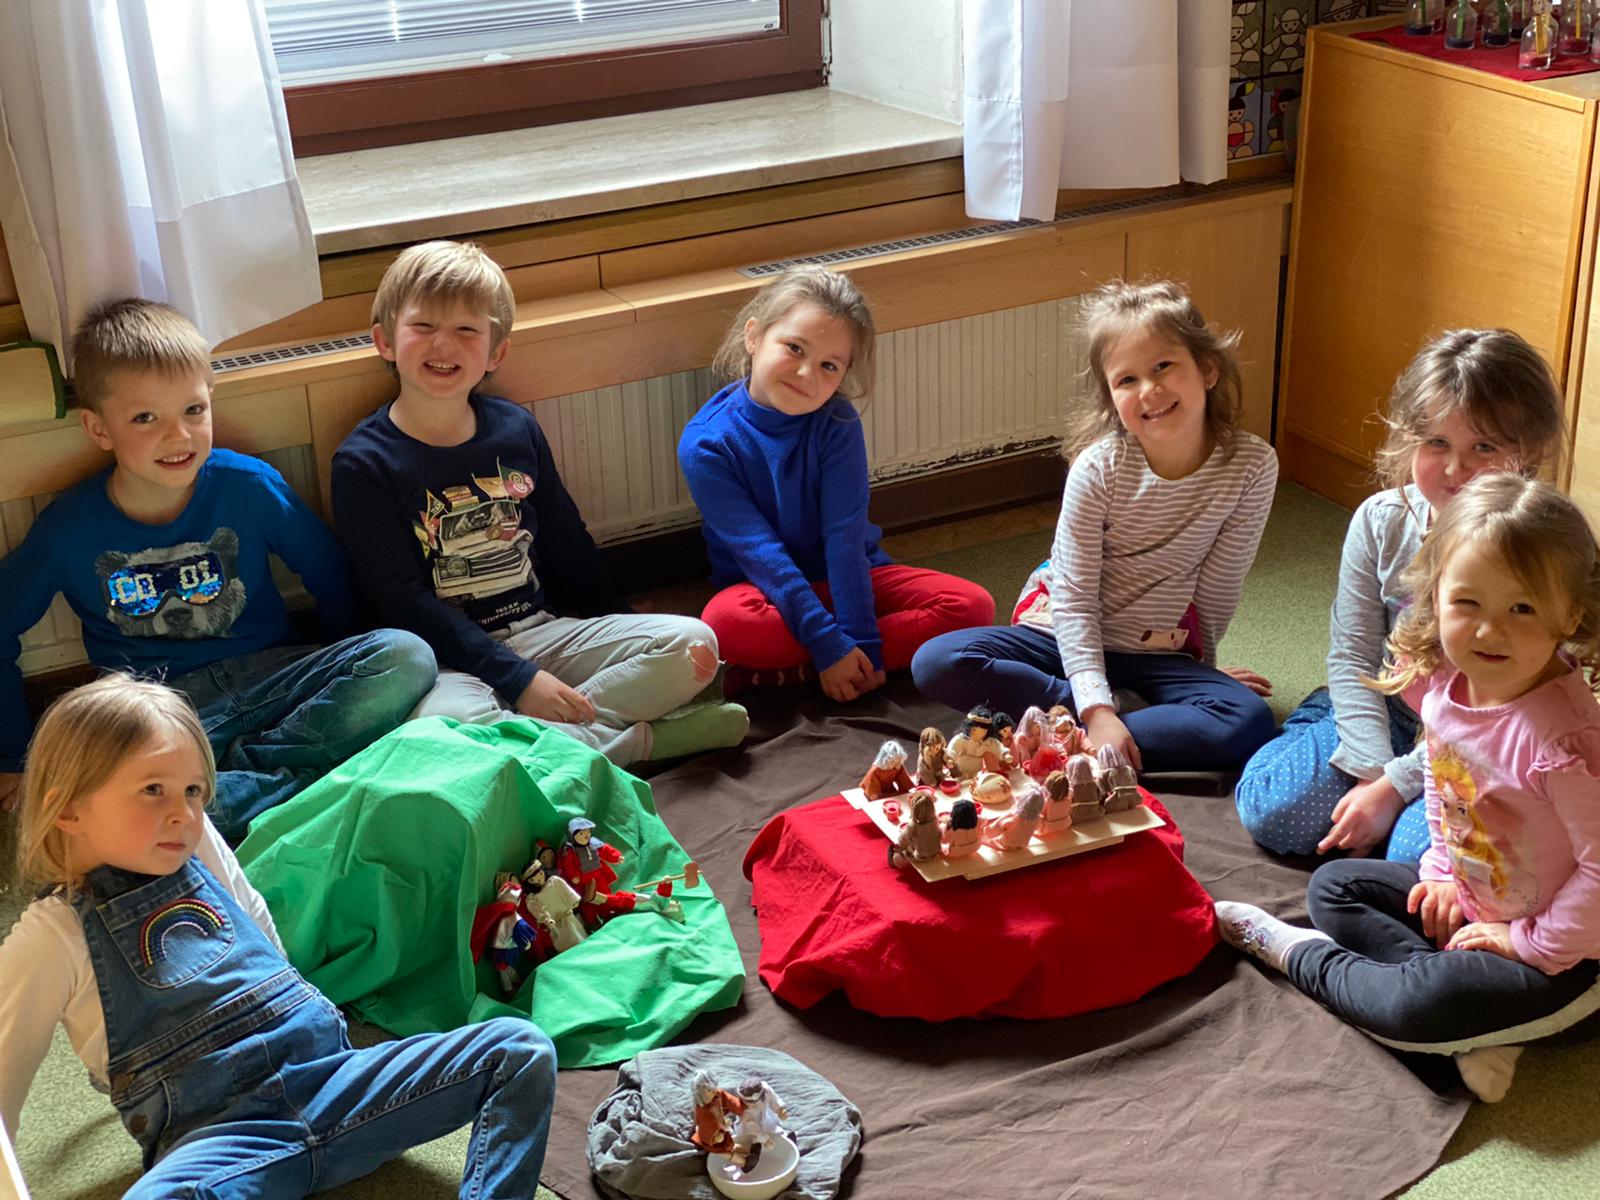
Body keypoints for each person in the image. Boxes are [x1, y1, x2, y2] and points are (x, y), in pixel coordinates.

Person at [0, 675, 555, 1196]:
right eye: (152, 789)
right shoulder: (51, 936)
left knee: (519, 1048)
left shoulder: (195, 842)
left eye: (193, 790)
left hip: (336, 1087)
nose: (184, 814)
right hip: (225, 1144)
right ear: (66, 809)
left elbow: (260, 930)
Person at [1216, 475, 1600, 1104]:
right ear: (1436, 597)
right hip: (1480, 906)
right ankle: (1477, 1022)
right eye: (1467, 603)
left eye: (1523, 609)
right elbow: (1450, 796)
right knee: (1332, 888)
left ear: (1570, 615)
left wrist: (1526, 943)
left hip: (1572, 953)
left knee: (1415, 1009)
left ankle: (1296, 956)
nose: (1488, 632)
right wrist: (1443, 873)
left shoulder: (1566, 742)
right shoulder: (1448, 691)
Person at [0, 299, 435, 837]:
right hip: (162, 712)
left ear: (211, 399)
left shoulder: (248, 485)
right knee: (99, 804)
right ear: (99, 428)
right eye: (145, 418)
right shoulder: (69, 529)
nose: (179, 436)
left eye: (193, 410)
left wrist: (328, 673)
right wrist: (13, 755)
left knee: (406, 655)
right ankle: (287, 784)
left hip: (272, 675)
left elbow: (331, 575)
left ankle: (233, 791)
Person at [332, 240, 748, 766]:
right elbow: (402, 602)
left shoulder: (515, 428)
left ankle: (535, 747)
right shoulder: (362, 464)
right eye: (424, 326)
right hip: (447, 664)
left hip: (542, 632)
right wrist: (519, 680)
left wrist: (623, 628)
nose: (444, 344)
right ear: (385, 341)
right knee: (444, 739)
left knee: (696, 644)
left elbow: (566, 544)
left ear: (496, 352)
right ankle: (645, 742)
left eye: (466, 330)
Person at [911, 279, 1277, 773]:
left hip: (1154, 650)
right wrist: (1097, 708)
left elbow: (1218, 586)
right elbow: (1075, 598)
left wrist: (1201, 674)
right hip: (1060, 639)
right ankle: (1102, 720)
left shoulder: (1253, 464)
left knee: (1247, 719)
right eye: (1127, 380)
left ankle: (1063, 730)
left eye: (1163, 366)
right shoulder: (1098, 467)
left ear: (1208, 369)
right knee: (936, 661)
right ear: (1110, 395)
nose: (1149, 390)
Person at [1235, 329, 1566, 862]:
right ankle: (1321, 717)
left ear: (1528, 450)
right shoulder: (1381, 521)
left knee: (1416, 863)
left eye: (1483, 447)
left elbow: (1519, 706)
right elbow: (1353, 652)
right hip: (1392, 703)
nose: (1456, 469)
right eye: (1436, 443)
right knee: (1274, 812)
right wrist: (1370, 772)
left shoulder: (1543, 546)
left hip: (1487, 732)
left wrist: (1396, 785)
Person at [677, 265, 994, 702]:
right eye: (794, 348)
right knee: (725, 625)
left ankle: (811, 668)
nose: (807, 374)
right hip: (765, 592)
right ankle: (832, 660)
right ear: (754, 337)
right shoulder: (705, 443)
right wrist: (829, 645)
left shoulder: (837, 423)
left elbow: (844, 541)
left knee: (973, 606)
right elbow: (762, 558)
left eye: (829, 365)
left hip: (849, 577)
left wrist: (862, 643)